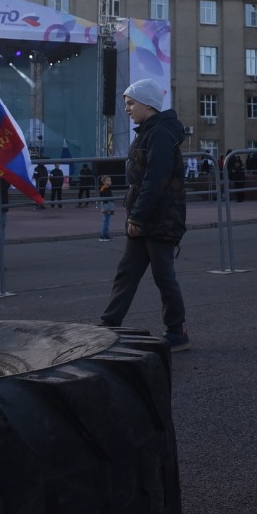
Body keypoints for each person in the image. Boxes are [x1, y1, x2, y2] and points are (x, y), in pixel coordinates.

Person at [99, 79, 190, 351]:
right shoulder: (148, 131)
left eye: (130, 103)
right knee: (126, 273)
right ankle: (109, 324)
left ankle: (177, 332)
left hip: (160, 217)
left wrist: (137, 217)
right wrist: (136, 216)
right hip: (147, 215)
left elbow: (155, 179)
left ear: (147, 104)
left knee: (163, 276)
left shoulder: (159, 134)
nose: (127, 108)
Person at [97, 174, 116, 240]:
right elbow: (105, 199)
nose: (110, 181)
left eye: (110, 180)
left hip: (108, 205)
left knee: (107, 221)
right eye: (108, 180)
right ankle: (102, 235)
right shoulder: (104, 188)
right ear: (104, 181)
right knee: (106, 221)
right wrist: (108, 208)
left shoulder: (107, 188)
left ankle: (105, 234)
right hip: (107, 206)